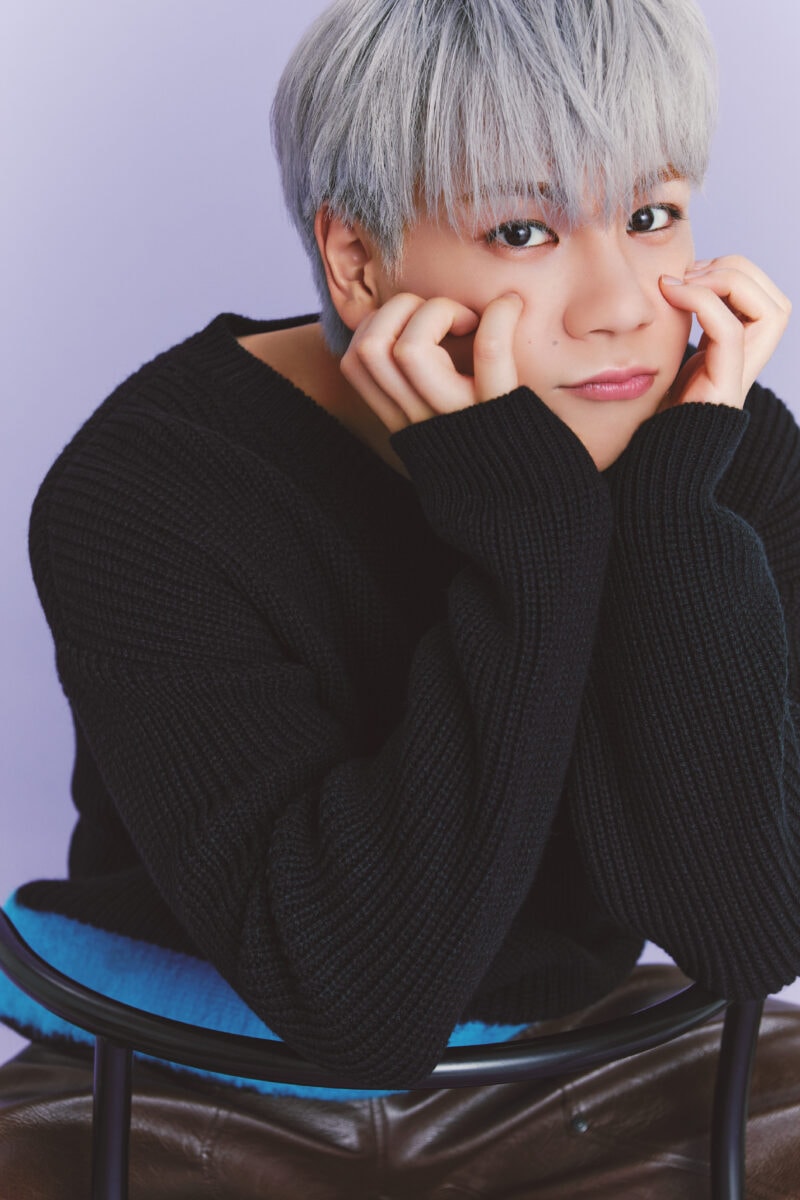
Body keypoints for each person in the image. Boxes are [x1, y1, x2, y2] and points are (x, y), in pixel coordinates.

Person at [1, 0, 799, 1195]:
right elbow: (357, 1006)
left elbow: (740, 933)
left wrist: (665, 511)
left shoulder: (707, 444)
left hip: (581, 1055)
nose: (621, 304)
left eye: (649, 216)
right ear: (358, 260)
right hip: (188, 1066)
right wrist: (529, 538)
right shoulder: (149, 488)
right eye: (523, 230)